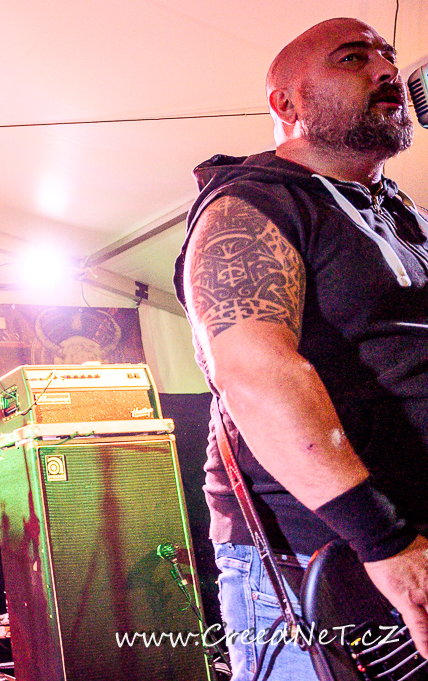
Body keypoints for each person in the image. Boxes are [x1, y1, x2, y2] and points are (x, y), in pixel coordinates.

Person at [174, 18, 428, 681]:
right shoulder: (250, 205)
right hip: (324, 564)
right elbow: (256, 375)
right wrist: (384, 540)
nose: (386, 70)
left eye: (387, 56)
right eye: (353, 58)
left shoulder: (402, 214)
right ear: (285, 102)